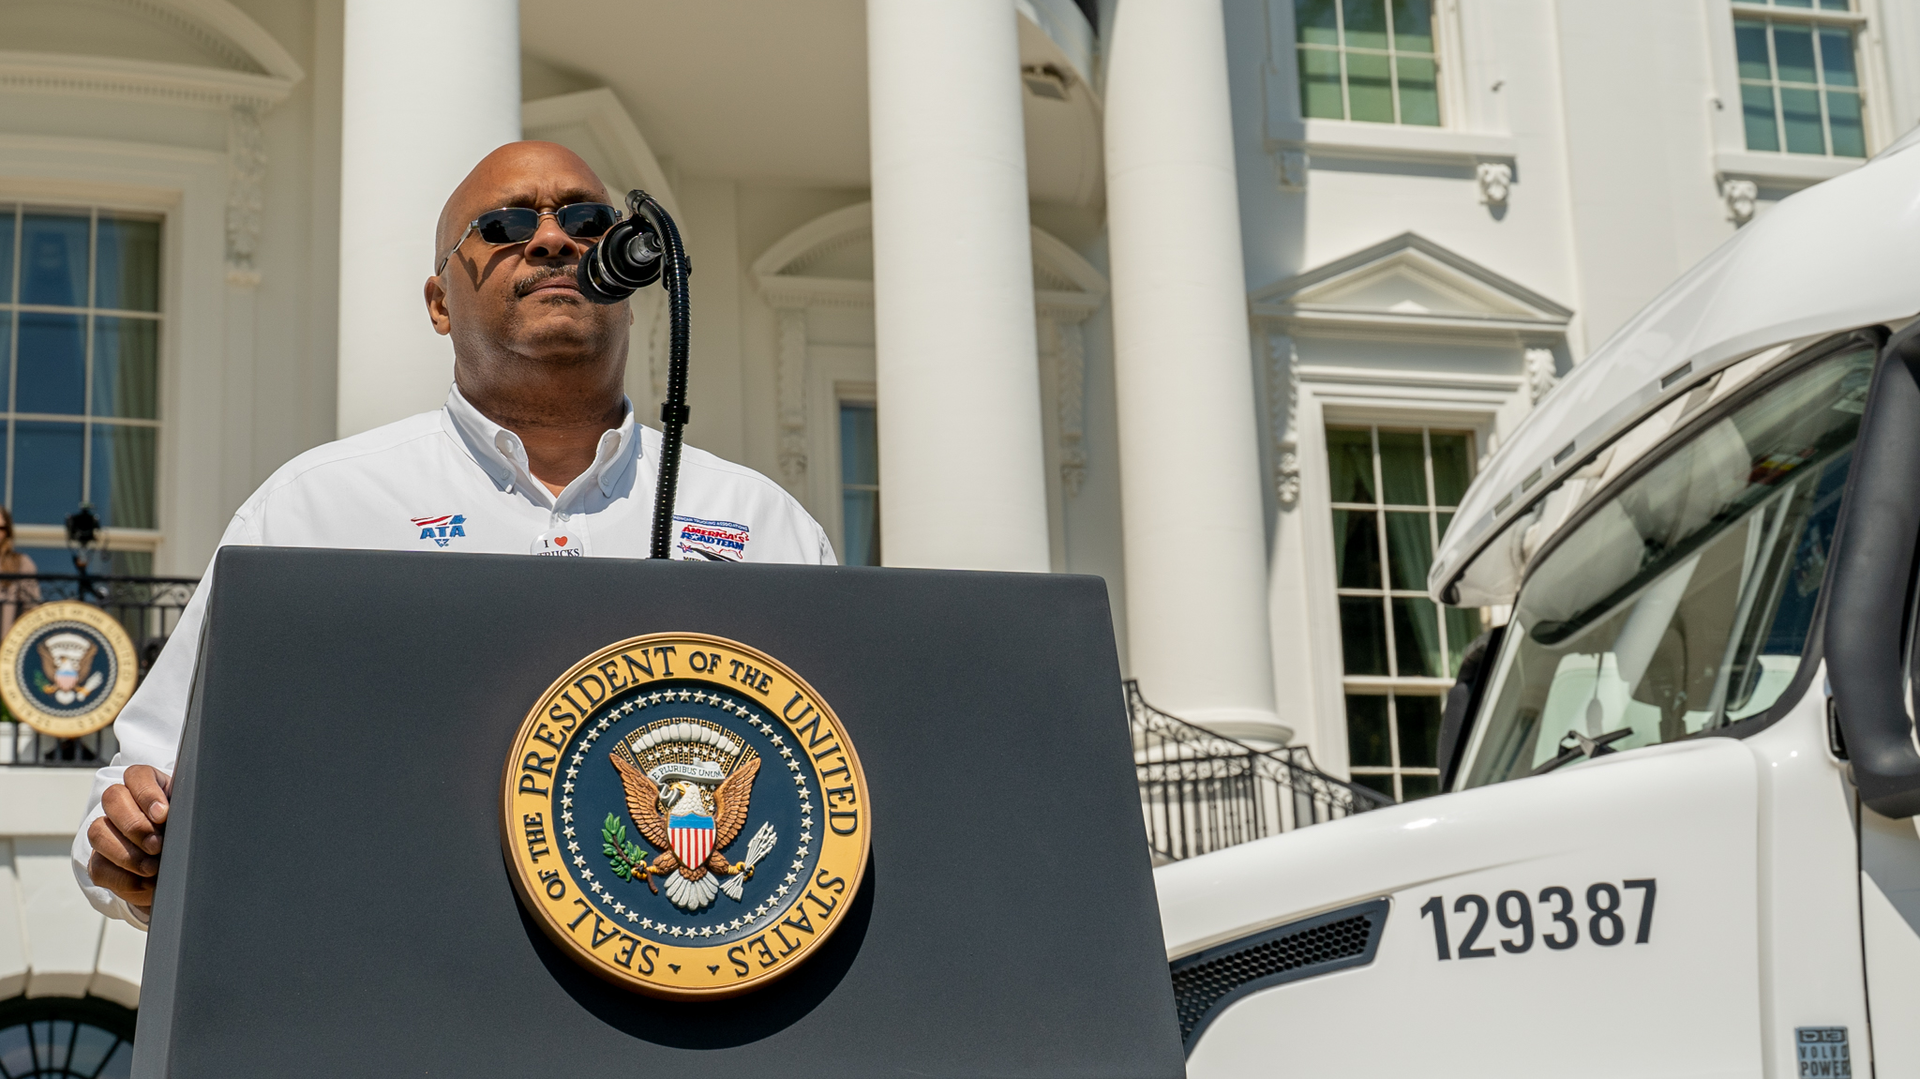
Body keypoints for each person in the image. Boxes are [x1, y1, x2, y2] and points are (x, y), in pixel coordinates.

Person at [73, 142, 835, 927]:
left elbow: (841, 785)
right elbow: (143, 776)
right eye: (503, 225)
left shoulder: (762, 522)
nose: (551, 240)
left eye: (586, 219)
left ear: (631, 286)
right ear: (440, 303)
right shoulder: (317, 509)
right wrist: (127, 846)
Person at [0, 507, 40, 639]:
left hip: (6, 648)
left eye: (1, 528)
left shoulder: (21, 563)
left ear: (7, 532)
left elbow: (31, 609)